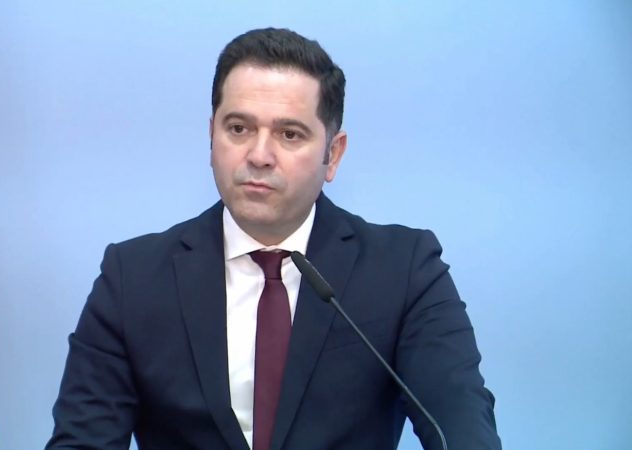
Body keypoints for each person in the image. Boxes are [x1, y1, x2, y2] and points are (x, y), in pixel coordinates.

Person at [46, 28, 501, 450]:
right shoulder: (133, 278)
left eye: (289, 134)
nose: (259, 155)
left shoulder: (404, 271)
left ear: (333, 154)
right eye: (238, 128)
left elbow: (461, 425)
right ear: (211, 136)